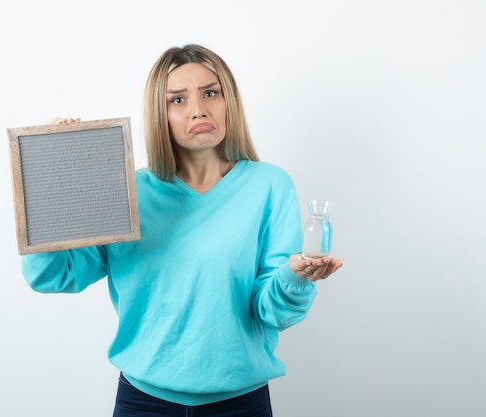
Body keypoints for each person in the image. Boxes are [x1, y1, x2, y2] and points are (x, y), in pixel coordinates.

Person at [21, 44, 343, 417]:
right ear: (160, 114)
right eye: (177, 100)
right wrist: (51, 176)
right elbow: (52, 276)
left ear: (229, 101)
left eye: (210, 93)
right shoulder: (126, 191)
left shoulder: (269, 186)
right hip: (143, 402)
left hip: (241, 404)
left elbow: (274, 314)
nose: (198, 109)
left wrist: (295, 276)